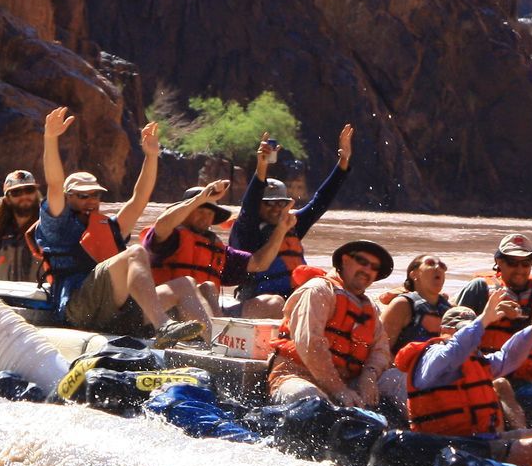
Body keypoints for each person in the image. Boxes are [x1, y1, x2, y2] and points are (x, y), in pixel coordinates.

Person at [32, 107, 203, 344]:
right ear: (68, 197)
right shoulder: (59, 224)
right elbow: (54, 182)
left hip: (115, 313)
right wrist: (50, 139)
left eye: (95, 195)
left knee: (185, 285)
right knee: (135, 252)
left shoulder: (109, 227)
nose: (90, 200)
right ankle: (163, 326)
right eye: (82, 196)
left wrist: (152, 156)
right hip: (80, 307)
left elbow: (140, 198)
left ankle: (209, 350)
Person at [395, 294, 532, 466]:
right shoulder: (433, 357)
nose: (473, 337)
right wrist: (482, 320)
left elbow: (507, 357)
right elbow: (455, 349)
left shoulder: (477, 360)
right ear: (444, 331)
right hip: (448, 447)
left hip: (481, 439)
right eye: (461, 329)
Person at [229, 125, 354, 316]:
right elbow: (249, 204)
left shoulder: (291, 224)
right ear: (259, 206)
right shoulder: (246, 230)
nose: (276, 208)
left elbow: (320, 201)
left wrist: (343, 163)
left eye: (281, 203)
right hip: (260, 301)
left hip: (294, 299)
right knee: (276, 302)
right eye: (269, 204)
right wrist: (261, 167)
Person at [268, 239, 392, 409]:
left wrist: (368, 376)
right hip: (296, 377)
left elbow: (381, 350)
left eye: (374, 267)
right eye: (362, 261)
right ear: (345, 260)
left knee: (396, 379)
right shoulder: (318, 290)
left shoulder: (370, 307)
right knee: (311, 401)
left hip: (347, 383)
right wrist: (339, 389)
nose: (367, 270)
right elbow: (310, 344)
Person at [145, 179, 293, 320]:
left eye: (210, 214)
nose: (205, 218)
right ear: (186, 212)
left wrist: (281, 229)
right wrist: (199, 199)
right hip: (171, 312)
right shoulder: (169, 237)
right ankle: (215, 334)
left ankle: (220, 332)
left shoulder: (217, 249)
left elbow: (259, 264)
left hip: (211, 315)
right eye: (200, 211)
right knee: (207, 288)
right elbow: (161, 225)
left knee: (274, 303)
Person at [453, 233, 532, 426]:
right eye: (512, 263)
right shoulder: (479, 288)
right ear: (498, 261)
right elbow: (453, 335)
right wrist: (491, 315)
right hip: (483, 376)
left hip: (526, 381)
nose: (519, 269)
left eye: (525, 264)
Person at [378, 254, 452, 354]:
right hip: (402, 368)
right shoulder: (402, 305)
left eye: (442, 266)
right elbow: (380, 350)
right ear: (414, 274)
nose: (438, 267)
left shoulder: (449, 309)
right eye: (430, 263)